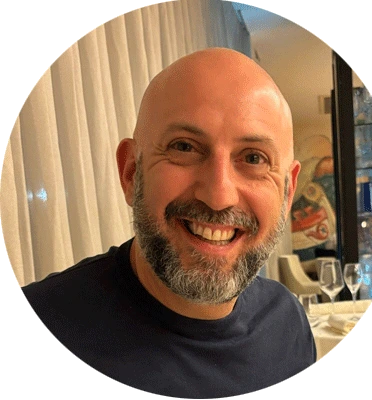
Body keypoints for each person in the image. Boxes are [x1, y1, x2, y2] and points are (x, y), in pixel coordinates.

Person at [21, 47, 315, 398]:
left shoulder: (289, 325)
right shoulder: (48, 321)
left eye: (254, 158)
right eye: (184, 148)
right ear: (131, 172)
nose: (219, 196)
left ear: (287, 192)